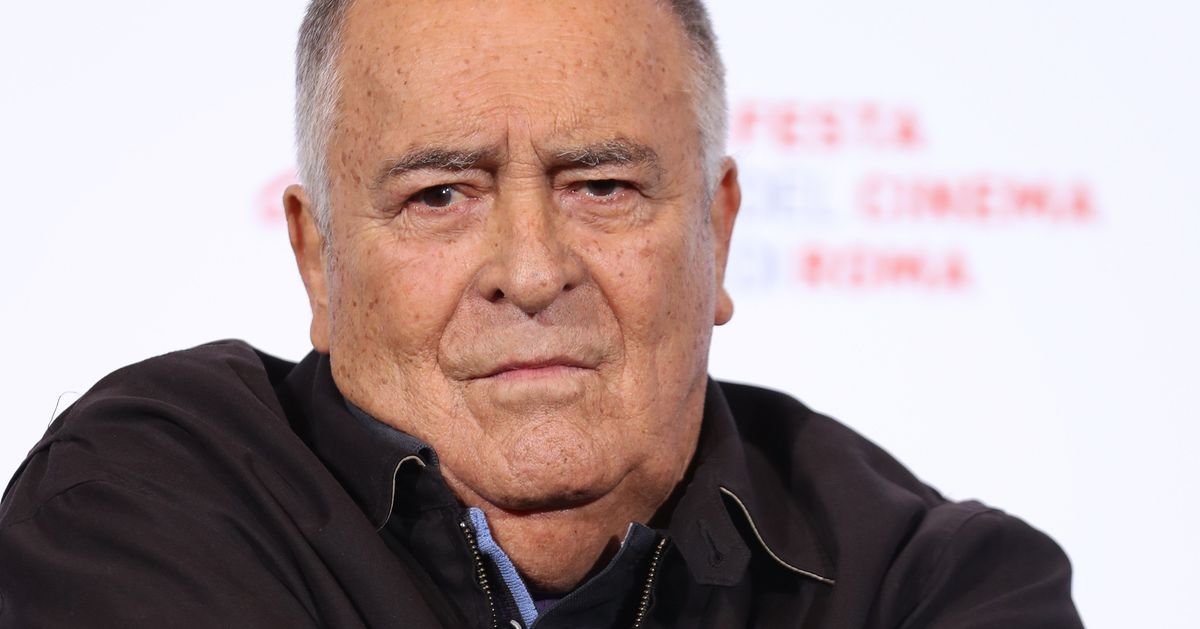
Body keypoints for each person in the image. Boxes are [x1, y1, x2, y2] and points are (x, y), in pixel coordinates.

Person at [0, 1, 1084, 627]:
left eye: (601, 187)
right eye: (440, 195)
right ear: (317, 257)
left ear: (719, 231)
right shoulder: (151, 494)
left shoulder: (937, 586)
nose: (529, 269)